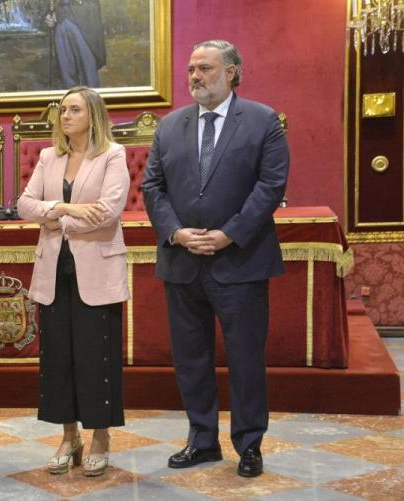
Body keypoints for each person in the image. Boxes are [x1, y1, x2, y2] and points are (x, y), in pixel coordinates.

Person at [141, 40, 290, 478]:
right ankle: (202, 440)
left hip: (241, 262)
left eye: (205, 68)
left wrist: (229, 234)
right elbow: (153, 187)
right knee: (191, 359)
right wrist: (175, 232)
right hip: (182, 262)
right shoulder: (169, 126)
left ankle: (249, 444)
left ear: (231, 72)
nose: (195, 76)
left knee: (245, 359)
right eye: (191, 69)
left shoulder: (263, 121)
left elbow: (271, 185)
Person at [18, 86, 129, 477]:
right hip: (54, 271)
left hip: (96, 271)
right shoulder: (49, 156)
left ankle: (100, 437)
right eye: (62, 109)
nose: (65, 116)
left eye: (74, 109)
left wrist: (58, 210)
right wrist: (63, 211)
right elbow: (24, 204)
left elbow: (108, 211)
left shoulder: (112, 155)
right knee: (59, 358)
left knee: (94, 357)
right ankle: (70, 437)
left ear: (92, 114)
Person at [45, 0, 106, 88]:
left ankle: (91, 100)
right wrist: (49, 16)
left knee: (89, 73)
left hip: (83, 25)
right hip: (60, 26)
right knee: (66, 74)